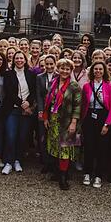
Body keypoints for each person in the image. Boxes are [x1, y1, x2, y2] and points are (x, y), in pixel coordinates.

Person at [43, 58, 82, 190]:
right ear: (57, 69)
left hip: (67, 121)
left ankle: (64, 177)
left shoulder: (74, 85)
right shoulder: (53, 82)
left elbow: (78, 106)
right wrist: (46, 117)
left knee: (65, 148)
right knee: (55, 147)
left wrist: (74, 122)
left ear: (71, 70)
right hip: (54, 119)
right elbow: (48, 101)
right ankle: (57, 172)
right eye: (62, 68)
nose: (64, 71)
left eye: (67, 69)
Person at [80, 61, 111, 188]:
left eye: (100, 69)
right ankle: (87, 172)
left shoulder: (109, 86)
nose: (98, 71)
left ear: (104, 71)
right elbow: (84, 104)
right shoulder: (86, 86)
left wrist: (107, 124)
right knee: (89, 146)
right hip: (89, 117)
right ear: (92, 71)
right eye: (96, 69)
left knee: (102, 147)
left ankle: (98, 175)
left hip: (103, 116)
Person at [2, 51, 36, 174]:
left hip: (26, 111)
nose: (19, 60)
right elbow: (9, 92)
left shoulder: (31, 75)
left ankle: (17, 160)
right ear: (13, 60)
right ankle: (8, 161)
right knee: (11, 136)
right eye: (17, 58)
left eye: (21, 58)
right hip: (13, 109)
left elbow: (33, 91)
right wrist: (22, 103)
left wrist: (28, 102)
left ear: (25, 60)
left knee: (22, 137)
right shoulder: (8, 74)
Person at [35, 54, 57, 174]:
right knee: (43, 137)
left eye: (51, 64)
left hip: (55, 110)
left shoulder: (59, 76)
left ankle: (54, 163)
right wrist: (40, 110)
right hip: (43, 110)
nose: (48, 66)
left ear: (55, 64)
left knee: (53, 136)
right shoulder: (39, 77)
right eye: (46, 64)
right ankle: (46, 162)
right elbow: (38, 94)